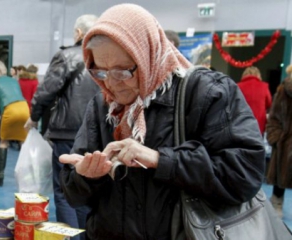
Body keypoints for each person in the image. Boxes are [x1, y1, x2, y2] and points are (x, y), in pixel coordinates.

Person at [58, 4, 265, 240]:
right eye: (101, 72)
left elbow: (244, 173)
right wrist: (85, 176)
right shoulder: (102, 106)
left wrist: (160, 159)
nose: (111, 84)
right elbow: (74, 195)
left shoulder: (206, 92)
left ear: (147, 55)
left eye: (123, 71)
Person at [24, 14, 99, 240]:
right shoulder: (104, 57)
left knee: (65, 191)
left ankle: (70, 237)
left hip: (67, 132)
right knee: (88, 190)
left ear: (78, 33)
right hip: (98, 133)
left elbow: (47, 91)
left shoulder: (66, 56)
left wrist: (34, 117)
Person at [0, 60, 29, 186]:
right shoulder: (13, 80)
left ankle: (0, 176)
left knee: (4, 142)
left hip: (10, 110)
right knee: (23, 142)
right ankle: (27, 175)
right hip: (24, 108)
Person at [266, 64, 292, 218]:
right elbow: (274, 118)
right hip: (285, 143)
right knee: (279, 178)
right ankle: (276, 203)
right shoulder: (283, 91)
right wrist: (276, 138)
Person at [237, 66, 272, 135]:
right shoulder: (264, 86)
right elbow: (269, 103)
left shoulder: (238, 86)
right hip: (259, 124)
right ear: (258, 75)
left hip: (242, 123)